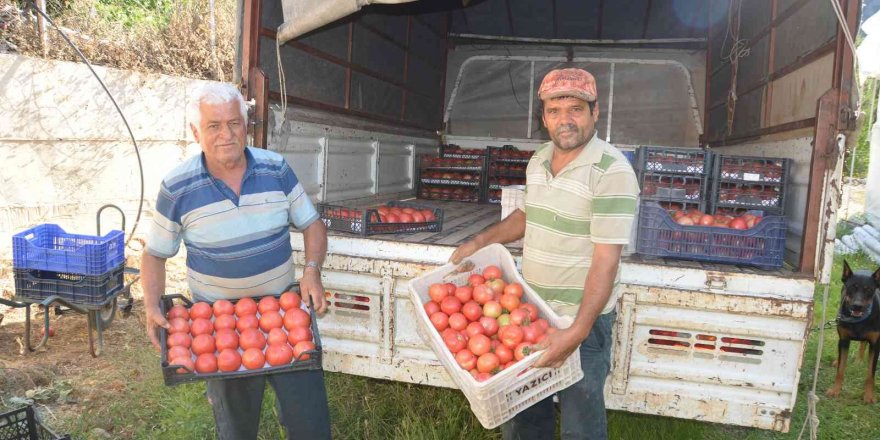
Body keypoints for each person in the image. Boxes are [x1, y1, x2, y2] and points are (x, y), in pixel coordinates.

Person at [450, 68, 639, 439]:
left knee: (579, 425)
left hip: (579, 319)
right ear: (543, 118)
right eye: (554, 110)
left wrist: (577, 332)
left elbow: (606, 258)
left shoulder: (611, 171)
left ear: (595, 112)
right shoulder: (538, 160)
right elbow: (527, 215)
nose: (564, 120)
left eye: (575, 109)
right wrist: (480, 242)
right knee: (522, 416)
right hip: (529, 309)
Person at [140, 83, 332, 440]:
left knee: (310, 425)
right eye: (214, 126)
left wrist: (312, 271)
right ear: (196, 132)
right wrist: (152, 304)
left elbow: (312, 224)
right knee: (237, 430)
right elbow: (154, 254)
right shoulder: (177, 187)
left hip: (287, 313)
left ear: (247, 126)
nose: (226, 134)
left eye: (234, 123)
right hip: (220, 324)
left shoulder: (276, 169)